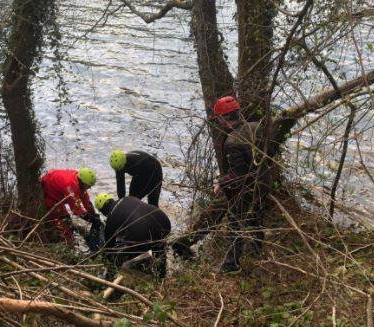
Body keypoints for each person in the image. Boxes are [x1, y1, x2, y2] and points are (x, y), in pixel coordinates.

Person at [173, 96, 269, 272]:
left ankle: (231, 265)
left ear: (224, 119)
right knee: (254, 213)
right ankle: (256, 247)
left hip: (243, 187)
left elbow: (239, 174)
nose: (219, 123)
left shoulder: (233, 142)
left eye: (219, 119)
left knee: (235, 222)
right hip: (262, 182)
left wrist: (221, 182)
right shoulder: (257, 127)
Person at [94, 193, 170, 277]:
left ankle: (112, 278)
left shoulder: (110, 219)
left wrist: (107, 262)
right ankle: (162, 276)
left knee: (121, 255)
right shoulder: (128, 198)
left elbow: (109, 249)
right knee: (158, 245)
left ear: (103, 210)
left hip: (144, 234)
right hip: (164, 221)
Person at [40, 168, 103, 247]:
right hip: (49, 192)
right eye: (88, 186)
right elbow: (77, 211)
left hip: (57, 192)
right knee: (62, 225)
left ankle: (70, 235)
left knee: (67, 220)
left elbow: (86, 201)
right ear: (82, 182)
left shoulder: (80, 180)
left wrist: (94, 214)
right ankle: (68, 244)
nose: (88, 188)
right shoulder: (70, 187)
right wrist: (92, 219)